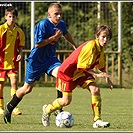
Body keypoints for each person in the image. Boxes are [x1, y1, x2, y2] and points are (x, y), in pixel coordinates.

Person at [3, 3, 77, 123]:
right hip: (36, 60)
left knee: (61, 74)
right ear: (49, 14)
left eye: (60, 14)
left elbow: (65, 33)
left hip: (50, 59)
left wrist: (74, 45)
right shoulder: (43, 24)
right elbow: (38, 44)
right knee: (27, 89)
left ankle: (58, 107)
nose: (58, 16)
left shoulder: (61, 24)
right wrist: (53, 37)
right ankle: (10, 107)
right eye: (56, 14)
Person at [41, 25, 114, 128]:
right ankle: (47, 110)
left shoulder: (100, 48)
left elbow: (101, 66)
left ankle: (97, 120)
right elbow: (81, 66)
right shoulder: (91, 46)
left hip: (81, 73)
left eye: (108, 37)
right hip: (67, 73)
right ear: (97, 36)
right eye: (103, 36)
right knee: (66, 101)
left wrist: (107, 78)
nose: (105, 40)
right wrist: (97, 74)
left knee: (95, 90)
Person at [0, 6, 25, 115]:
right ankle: (0, 107)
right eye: (9, 16)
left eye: (13, 17)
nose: (11, 19)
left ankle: (13, 107)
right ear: (6, 17)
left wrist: (20, 54)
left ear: (16, 18)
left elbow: (20, 46)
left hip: (12, 62)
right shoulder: (1, 29)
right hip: (1, 62)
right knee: (0, 85)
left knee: (14, 82)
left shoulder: (19, 31)